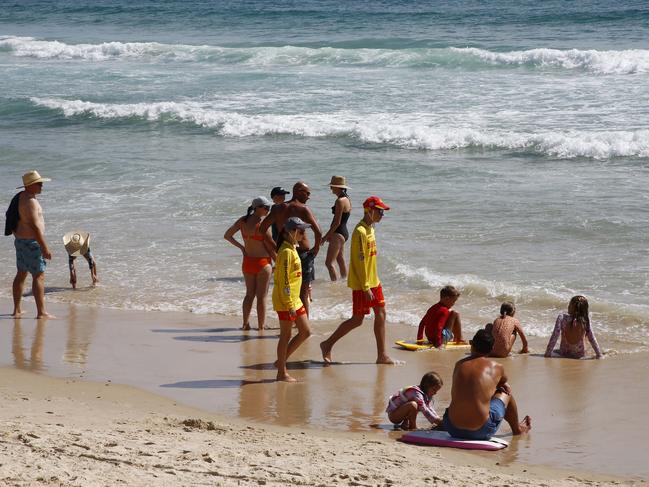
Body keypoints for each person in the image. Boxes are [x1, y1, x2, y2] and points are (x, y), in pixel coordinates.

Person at [320, 196, 397, 365]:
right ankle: (327, 344)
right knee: (357, 319)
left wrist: (373, 282)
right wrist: (365, 287)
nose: (382, 215)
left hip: (373, 281)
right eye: (379, 211)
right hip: (363, 284)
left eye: (382, 211)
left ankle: (382, 355)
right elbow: (359, 262)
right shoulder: (360, 232)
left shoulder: (371, 229)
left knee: (381, 314)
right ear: (369, 211)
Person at [444, 329, 532, 440]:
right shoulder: (497, 367)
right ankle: (517, 430)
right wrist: (500, 384)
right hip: (480, 431)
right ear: (491, 349)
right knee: (506, 393)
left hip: (452, 428)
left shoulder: (459, 364)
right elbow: (504, 381)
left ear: (471, 344)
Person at [260, 181, 322, 316]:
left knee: (286, 287)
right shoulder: (303, 208)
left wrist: (275, 247)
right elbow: (318, 231)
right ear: (299, 192)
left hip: (285, 250)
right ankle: (303, 323)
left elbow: (262, 229)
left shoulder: (277, 209)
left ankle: (289, 320)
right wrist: (316, 249)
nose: (309, 197)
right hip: (303, 254)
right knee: (303, 292)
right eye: (307, 193)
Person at [5, 171, 54, 319]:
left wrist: (18, 236)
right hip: (31, 243)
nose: (42, 186)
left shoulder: (20, 197)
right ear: (30, 185)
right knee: (38, 276)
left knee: (21, 274)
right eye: (39, 183)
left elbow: (11, 217)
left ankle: (17, 310)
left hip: (20, 241)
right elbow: (34, 226)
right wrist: (44, 247)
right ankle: (41, 313)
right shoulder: (30, 202)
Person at [224, 196, 276, 330]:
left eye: (268, 207)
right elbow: (271, 247)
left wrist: (242, 247)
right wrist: (280, 261)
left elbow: (227, 235)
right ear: (257, 208)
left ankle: (245, 324)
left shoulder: (243, 221)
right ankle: (261, 326)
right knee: (262, 297)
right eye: (266, 207)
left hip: (247, 262)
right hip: (263, 263)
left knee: (249, 295)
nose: (268, 210)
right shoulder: (263, 224)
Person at [273, 217, 313, 382]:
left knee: (306, 332)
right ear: (291, 232)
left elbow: (294, 276)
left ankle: (280, 361)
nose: (303, 234)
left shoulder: (292, 248)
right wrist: (289, 304)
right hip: (286, 301)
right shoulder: (285, 252)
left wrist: (307, 287)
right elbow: (284, 281)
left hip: (294, 299)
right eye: (301, 231)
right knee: (286, 335)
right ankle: (281, 372)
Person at [322, 176, 352, 281]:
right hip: (344, 232)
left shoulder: (339, 201)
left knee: (329, 263)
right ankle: (345, 282)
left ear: (338, 187)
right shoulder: (347, 199)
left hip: (338, 233)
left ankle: (334, 285)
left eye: (332, 186)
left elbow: (336, 222)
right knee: (340, 259)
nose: (331, 189)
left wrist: (325, 237)